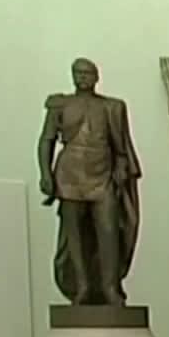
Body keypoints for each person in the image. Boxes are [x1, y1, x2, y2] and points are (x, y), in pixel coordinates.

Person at [38, 57, 142, 306]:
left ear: (96, 77)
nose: (83, 77)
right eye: (78, 73)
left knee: (108, 229)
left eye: (88, 73)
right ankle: (81, 286)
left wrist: (121, 167)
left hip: (102, 174)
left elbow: (121, 147)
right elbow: (46, 141)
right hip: (70, 175)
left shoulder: (112, 107)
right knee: (73, 233)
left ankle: (110, 286)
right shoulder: (60, 105)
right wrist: (45, 173)